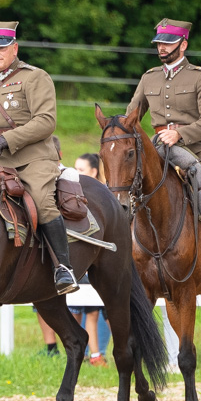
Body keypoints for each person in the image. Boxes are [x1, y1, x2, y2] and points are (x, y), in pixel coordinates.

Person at [0, 20, 78, 294]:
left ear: (14, 48)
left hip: (30, 157)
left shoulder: (34, 77)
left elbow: (46, 121)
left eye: (0, 48)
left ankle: (63, 268)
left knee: (41, 201)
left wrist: (7, 139)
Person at [126, 18, 201, 291]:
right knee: (126, 187)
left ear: (183, 44)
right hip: (157, 146)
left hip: (196, 145)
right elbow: (132, 115)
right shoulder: (149, 77)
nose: (162, 48)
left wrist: (181, 134)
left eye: (167, 43)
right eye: (159, 44)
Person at [72, 153, 112, 367]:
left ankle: (96, 353)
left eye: (81, 169)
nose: (76, 173)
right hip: (83, 258)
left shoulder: (104, 194)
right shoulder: (75, 193)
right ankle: (87, 353)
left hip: (100, 258)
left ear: (94, 171)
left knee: (96, 312)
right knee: (81, 310)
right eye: (75, 169)